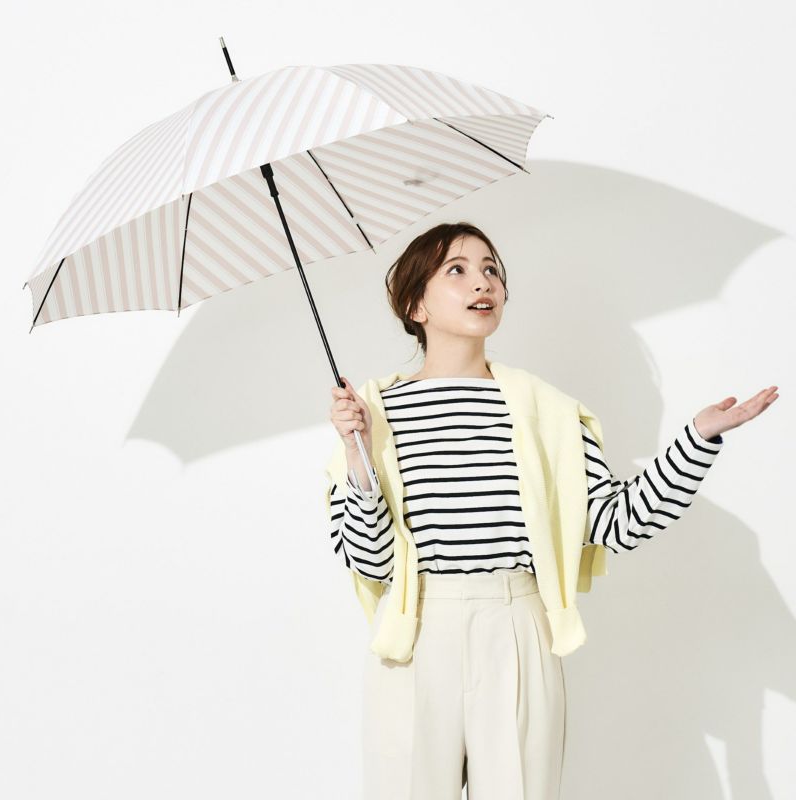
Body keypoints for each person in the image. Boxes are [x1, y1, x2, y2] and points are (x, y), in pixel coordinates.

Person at [326, 222, 778, 800]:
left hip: (517, 626)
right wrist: (357, 458)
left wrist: (698, 439)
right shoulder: (373, 413)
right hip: (414, 634)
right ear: (415, 304)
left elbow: (615, 523)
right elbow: (370, 562)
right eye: (457, 270)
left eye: (492, 269)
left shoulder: (549, 411)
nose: (483, 282)